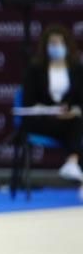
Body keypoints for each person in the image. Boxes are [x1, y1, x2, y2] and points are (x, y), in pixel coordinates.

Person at [21, 25, 83, 190]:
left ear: (67, 45)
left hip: (68, 120)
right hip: (41, 120)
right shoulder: (35, 69)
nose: (56, 47)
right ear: (46, 46)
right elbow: (28, 101)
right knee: (76, 128)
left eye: (59, 43)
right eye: (52, 44)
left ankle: (73, 163)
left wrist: (73, 110)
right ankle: (73, 161)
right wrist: (49, 111)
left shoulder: (77, 69)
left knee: (76, 122)